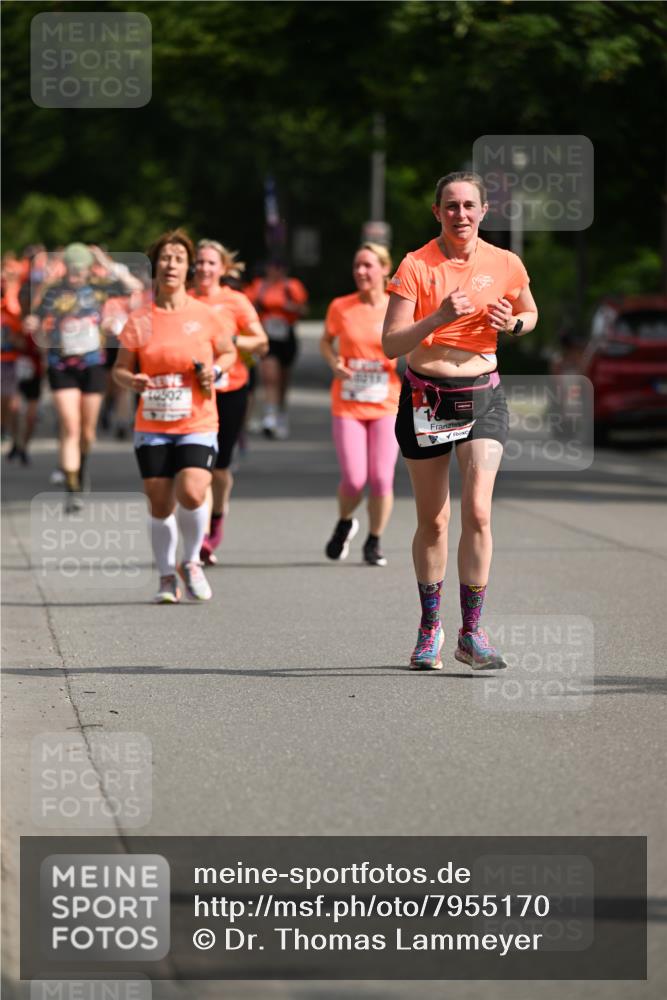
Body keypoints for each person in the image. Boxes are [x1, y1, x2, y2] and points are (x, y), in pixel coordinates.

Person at [383, 171, 538, 670]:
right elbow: (390, 344)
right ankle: (430, 627)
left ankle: (473, 633)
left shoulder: (506, 262)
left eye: (469, 205)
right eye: (451, 206)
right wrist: (438, 317)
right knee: (434, 520)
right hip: (426, 398)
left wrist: (512, 323)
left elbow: (530, 313)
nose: (461, 214)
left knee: (478, 511)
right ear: (437, 213)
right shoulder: (416, 265)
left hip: (483, 397)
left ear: (484, 211)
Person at [113, 229, 236, 604]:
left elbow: (229, 353)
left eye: (179, 259)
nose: (171, 264)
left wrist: (213, 372)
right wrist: (131, 379)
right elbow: (119, 368)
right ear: (156, 265)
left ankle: (191, 561)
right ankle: (167, 576)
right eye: (165, 258)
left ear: (188, 269)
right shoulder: (139, 319)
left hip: (197, 419)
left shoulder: (204, 315)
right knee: (160, 501)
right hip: (152, 422)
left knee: (193, 490)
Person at [32, 242, 143, 510]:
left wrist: (108, 265)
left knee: (87, 431)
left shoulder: (99, 287)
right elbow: (34, 316)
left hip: (93, 364)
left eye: (80, 269)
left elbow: (136, 288)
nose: (75, 275)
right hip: (62, 365)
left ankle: (80, 468)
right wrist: (36, 326)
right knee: (70, 425)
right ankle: (73, 488)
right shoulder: (53, 290)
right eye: (71, 269)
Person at [320, 242, 401, 567]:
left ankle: (374, 540)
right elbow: (326, 341)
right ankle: (344, 521)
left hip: (386, 402)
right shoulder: (341, 306)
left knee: (381, 478)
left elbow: (416, 341)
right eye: (357, 266)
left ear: (384, 269)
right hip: (348, 404)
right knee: (354, 479)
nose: (361, 272)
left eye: (368, 265)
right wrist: (333, 362)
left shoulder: (398, 307)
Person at [190, 239, 268, 564]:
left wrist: (232, 340)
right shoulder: (184, 300)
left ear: (222, 268)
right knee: (200, 467)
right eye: (201, 263)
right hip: (194, 393)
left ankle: (217, 515)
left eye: (211, 263)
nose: (205, 268)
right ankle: (201, 536)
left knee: (220, 468)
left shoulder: (235, 301)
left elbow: (261, 342)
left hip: (231, 388)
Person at [244, 259, 308, 439]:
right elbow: (246, 307)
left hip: (286, 335)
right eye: (273, 267)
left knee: (283, 379)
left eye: (280, 267)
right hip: (268, 337)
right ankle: (269, 417)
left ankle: (281, 414)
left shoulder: (292, 286)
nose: (276, 271)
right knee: (270, 376)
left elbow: (303, 310)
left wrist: (291, 307)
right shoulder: (259, 286)